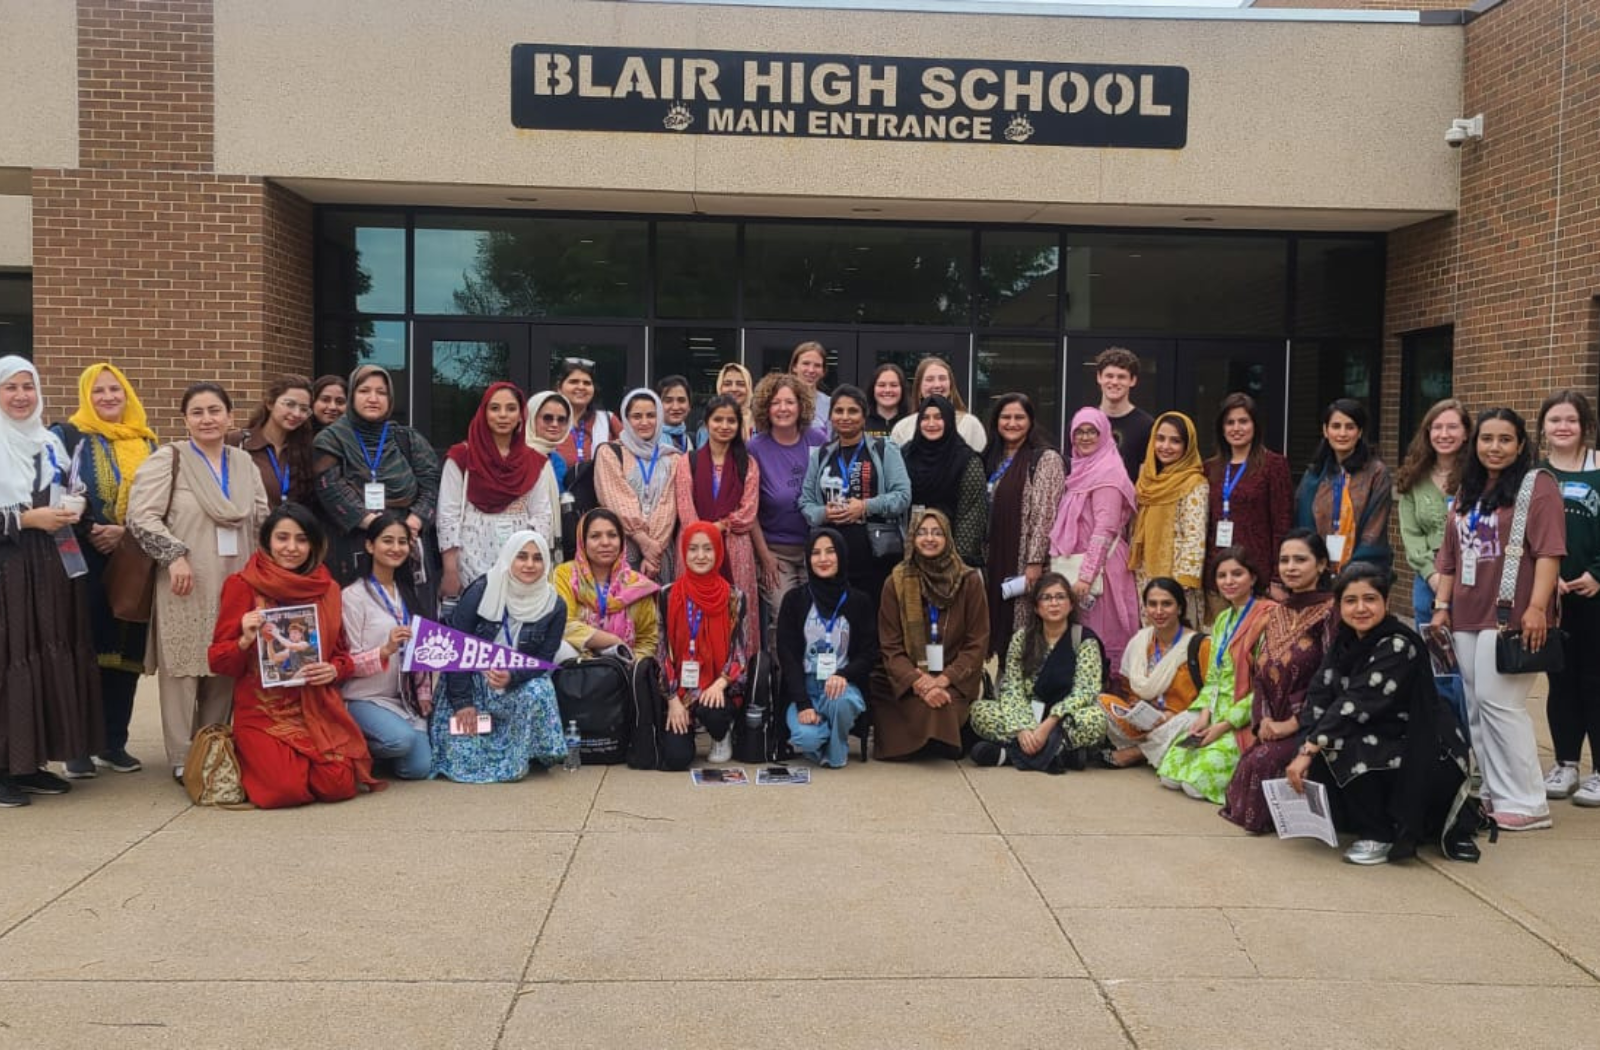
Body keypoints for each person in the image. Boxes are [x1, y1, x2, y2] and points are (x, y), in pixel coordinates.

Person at [1287, 562, 1476, 865]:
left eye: (1370, 599)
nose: (1360, 608)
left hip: (1423, 745)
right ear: (1339, 606)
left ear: (1386, 602)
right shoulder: (1344, 642)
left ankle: (1381, 834)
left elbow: (1357, 703)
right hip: (1377, 733)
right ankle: (1363, 819)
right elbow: (1319, 696)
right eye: (1350, 601)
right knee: (1318, 744)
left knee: (1339, 745)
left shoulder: (1398, 644)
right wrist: (1304, 744)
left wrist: (1310, 749)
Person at [127, 381, 269, 779]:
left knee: (226, 665)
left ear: (229, 416)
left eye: (214, 411)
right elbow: (141, 516)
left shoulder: (243, 464)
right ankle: (180, 756)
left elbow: (261, 520)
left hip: (236, 581)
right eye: (197, 412)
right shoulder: (168, 459)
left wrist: (262, 578)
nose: (207, 419)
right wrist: (174, 555)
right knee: (184, 670)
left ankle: (214, 746)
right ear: (185, 419)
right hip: (185, 581)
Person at [1432, 407, 1560, 832]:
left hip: (1510, 615)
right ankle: (1493, 788)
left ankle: (1527, 801)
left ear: (1521, 445)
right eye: (1487, 439)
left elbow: (1548, 553)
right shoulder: (1468, 487)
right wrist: (1441, 606)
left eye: (1505, 439)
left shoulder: (1535, 486)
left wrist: (1538, 607)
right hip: (1467, 613)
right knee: (1475, 708)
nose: (1494, 447)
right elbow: (1448, 557)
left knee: (1501, 705)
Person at [207, 503, 382, 808]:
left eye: (301, 540)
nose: (291, 548)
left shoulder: (327, 588)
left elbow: (341, 654)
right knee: (284, 792)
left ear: (314, 545)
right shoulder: (242, 585)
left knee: (338, 785)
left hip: (315, 707)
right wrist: (245, 639)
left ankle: (286, 763)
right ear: (267, 541)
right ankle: (255, 756)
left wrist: (333, 670)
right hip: (263, 709)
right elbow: (219, 661)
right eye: (282, 538)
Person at [0, 357, 102, 807]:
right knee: (10, 658)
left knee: (44, 655)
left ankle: (29, 762)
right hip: (8, 570)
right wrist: (25, 519)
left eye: (28, 386)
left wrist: (77, 506)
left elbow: (71, 490)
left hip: (52, 569)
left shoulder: (50, 444)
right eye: (10, 387)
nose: (21, 395)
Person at [50, 362, 158, 778]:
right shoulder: (68, 435)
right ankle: (77, 746)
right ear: (85, 396)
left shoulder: (148, 442)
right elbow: (57, 491)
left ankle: (114, 741)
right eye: (99, 391)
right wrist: (94, 528)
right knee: (85, 651)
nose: (109, 397)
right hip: (83, 556)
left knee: (125, 652)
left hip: (132, 557)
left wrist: (125, 532)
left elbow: (158, 502)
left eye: (116, 390)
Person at [1221, 530, 1338, 832]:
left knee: (1261, 763)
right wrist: (1263, 721)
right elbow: (1260, 675)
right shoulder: (1276, 613)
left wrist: (1294, 724)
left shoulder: (1331, 612)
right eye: (1285, 560)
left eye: (1301, 559)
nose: (1291, 567)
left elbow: (1331, 678)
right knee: (1251, 762)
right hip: (1273, 724)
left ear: (1322, 565)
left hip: (1315, 726)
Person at [432, 531, 568, 783]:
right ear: (508, 558)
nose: (529, 565)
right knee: (462, 759)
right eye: (522, 557)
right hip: (470, 683)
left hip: (513, 682)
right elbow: (456, 647)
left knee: (541, 689)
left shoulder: (554, 604)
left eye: (538, 558)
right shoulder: (483, 589)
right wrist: (463, 703)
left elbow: (544, 659)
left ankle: (527, 754)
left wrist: (512, 676)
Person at [312, 365, 442, 604]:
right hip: (354, 543)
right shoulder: (331, 440)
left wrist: (412, 523)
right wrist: (380, 528)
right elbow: (331, 490)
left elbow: (430, 484)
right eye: (364, 391)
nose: (373, 399)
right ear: (352, 396)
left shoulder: (408, 439)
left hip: (407, 542)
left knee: (413, 617)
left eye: (381, 393)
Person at [1156, 547, 1274, 801]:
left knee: (1195, 786)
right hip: (1215, 713)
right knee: (1169, 775)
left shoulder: (1268, 617)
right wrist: (1204, 714)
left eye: (1237, 574)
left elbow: (1266, 686)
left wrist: (1223, 725)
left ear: (1252, 577)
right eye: (1222, 576)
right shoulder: (1222, 619)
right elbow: (1213, 677)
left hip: (1244, 720)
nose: (1228, 582)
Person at [872, 509, 988, 760]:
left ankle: (941, 737)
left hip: (952, 678)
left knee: (941, 708)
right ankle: (938, 738)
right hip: (908, 678)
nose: (929, 538)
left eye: (937, 533)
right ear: (912, 538)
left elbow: (976, 642)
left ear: (948, 538)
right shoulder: (896, 581)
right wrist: (919, 682)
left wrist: (944, 679)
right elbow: (890, 646)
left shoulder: (969, 581)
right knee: (907, 703)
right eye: (922, 532)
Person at [969, 573, 1109, 773]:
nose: (1054, 603)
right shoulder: (1022, 639)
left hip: (1063, 719)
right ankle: (1057, 754)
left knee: (1095, 719)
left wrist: (1049, 724)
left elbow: (1085, 691)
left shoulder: (1083, 639)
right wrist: (1022, 728)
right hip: (1028, 711)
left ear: (1071, 604)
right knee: (979, 711)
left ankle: (1010, 755)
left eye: (1060, 597)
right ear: (1036, 607)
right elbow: (1012, 687)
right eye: (1046, 597)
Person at [439, 382, 557, 600]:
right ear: (483, 413)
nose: (503, 415)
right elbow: (448, 515)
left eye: (511, 409)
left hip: (520, 561)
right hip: (470, 558)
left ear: (521, 415)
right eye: (495, 408)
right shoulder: (461, 457)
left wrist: (532, 564)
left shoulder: (535, 461)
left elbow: (542, 516)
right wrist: (450, 570)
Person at [1539, 390, 1600, 806]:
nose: (1563, 427)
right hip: (1550, 598)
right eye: (1555, 419)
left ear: (1584, 426)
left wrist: (1597, 574)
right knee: (1559, 682)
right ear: (1542, 426)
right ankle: (1565, 763)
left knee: (1595, 682)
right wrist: (1545, 582)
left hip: (1594, 594)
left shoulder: (1599, 468)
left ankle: (1598, 771)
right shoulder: (1534, 476)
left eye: (1571, 420)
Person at [1395, 398, 1472, 731]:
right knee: (1442, 672)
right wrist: (1433, 576)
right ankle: (1453, 751)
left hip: (1472, 586)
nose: (1444, 434)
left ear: (1467, 432)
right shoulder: (1414, 477)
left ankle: (1480, 759)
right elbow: (1411, 537)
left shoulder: (1478, 475)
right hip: (1429, 588)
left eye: (1452, 426)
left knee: (1469, 676)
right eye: (1437, 427)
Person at [799, 384, 913, 606]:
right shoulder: (821, 455)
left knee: (872, 623)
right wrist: (825, 513)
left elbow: (903, 495)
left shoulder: (884, 449)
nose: (845, 417)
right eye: (839, 411)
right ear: (830, 416)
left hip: (875, 556)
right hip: (830, 557)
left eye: (852, 411)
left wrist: (865, 506)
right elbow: (805, 503)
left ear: (864, 416)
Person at [340, 512, 432, 779]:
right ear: (370, 545)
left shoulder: (408, 592)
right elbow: (348, 663)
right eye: (387, 541)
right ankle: (352, 745)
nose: (396, 548)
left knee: (418, 769)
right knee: (400, 741)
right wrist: (385, 650)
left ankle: (383, 755)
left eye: (402, 542)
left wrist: (423, 695)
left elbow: (421, 652)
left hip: (402, 698)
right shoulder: (353, 596)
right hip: (362, 697)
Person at [1048, 407, 1140, 669]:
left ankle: (1108, 699)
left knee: (1102, 637)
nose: (1085, 438)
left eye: (1092, 432)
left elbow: (1104, 530)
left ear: (1105, 435)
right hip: (1081, 568)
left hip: (1101, 572)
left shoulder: (1108, 473)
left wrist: (1086, 576)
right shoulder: (1079, 472)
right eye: (1079, 432)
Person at [776, 529, 876, 768]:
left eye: (830, 552)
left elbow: (869, 652)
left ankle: (835, 747)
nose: (823, 559)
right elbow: (787, 654)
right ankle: (824, 736)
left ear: (841, 556)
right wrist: (802, 702)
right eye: (816, 553)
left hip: (843, 684)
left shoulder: (859, 601)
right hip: (806, 686)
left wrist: (844, 674)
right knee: (806, 738)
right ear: (808, 560)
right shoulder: (794, 600)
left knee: (840, 702)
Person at [983, 393, 1066, 666]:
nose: (1012, 423)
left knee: (1023, 626)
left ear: (1031, 422)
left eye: (1019, 417)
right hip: (993, 558)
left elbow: (1045, 515)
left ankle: (1024, 684)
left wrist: (1034, 561)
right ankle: (1000, 682)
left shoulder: (1044, 459)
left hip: (1023, 561)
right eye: (1005, 417)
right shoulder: (990, 459)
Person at [674, 394, 762, 648]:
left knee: (736, 610)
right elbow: (685, 507)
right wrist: (704, 535)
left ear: (738, 425)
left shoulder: (748, 464)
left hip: (735, 548)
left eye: (731, 421)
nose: (724, 426)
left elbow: (748, 510)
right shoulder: (687, 462)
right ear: (706, 423)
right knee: (694, 612)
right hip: (694, 549)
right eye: (718, 420)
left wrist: (719, 527)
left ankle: (739, 674)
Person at [659, 523, 749, 768]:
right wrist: (672, 700)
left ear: (718, 551)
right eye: (693, 549)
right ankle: (686, 723)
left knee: (714, 712)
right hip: (681, 691)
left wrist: (719, 685)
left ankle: (721, 733)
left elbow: (739, 653)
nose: (700, 556)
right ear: (684, 553)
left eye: (708, 549)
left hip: (718, 689)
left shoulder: (734, 597)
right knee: (676, 759)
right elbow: (661, 653)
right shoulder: (668, 595)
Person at [1095, 577, 1210, 769]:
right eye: (1152, 604)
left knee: (1192, 720)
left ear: (1180, 608)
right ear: (1145, 609)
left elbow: (1211, 694)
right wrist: (1137, 708)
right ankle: (1156, 747)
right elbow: (1127, 687)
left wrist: (1169, 716)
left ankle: (1137, 753)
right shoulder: (1140, 641)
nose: (1158, 611)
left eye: (1166, 604)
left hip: (1179, 720)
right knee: (1100, 702)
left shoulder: (1200, 645)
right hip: (1146, 720)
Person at [748, 372, 827, 633]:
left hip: (816, 547)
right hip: (775, 552)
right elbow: (750, 509)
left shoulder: (818, 440)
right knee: (784, 615)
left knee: (817, 614)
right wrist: (764, 556)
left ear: (801, 405)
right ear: (765, 408)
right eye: (776, 403)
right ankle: (783, 674)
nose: (783, 408)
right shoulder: (754, 448)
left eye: (790, 402)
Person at [1203, 392, 1292, 608]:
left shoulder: (1273, 465)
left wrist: (1277, 578)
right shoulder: (1210, 468)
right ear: (1221, 428)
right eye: (1230, 422)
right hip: (1218, 576)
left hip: (1257, 576)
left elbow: (1282, 523)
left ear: (1255, 425)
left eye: (1243, 421)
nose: (1236, 428)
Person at [1293, 398, 1392, 575]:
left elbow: (1374, 529)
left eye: (1350, 427)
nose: (1342, 433)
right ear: (1325, 430)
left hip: (1362, 573)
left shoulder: (1376, 474)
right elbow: (1302, 524)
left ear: (1360, 432)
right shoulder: (1313, 475)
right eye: (1336, 426)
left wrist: (1352, 570)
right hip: (1316, 573)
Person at [1128, 411, 1209, 625]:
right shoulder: (1146, 481)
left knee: (1179, 644)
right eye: (1160, 438)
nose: (1166, 446)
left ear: (1187, 446)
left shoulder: (1193, 482)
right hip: (1145, 575)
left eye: (1175, 441)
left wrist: (1181, 584)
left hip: (1177, 581)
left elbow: (1195, 536)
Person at [595, 388, 683, 578]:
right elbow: (617, 499)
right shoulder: (610, 453)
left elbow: (668, 506)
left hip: (660, 552)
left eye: (651, 415)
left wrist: (653, 552)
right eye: (637, 416)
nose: (644, 422)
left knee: (657, 605)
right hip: (621, 548)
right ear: (626, 419)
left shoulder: (673, 457)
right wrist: (644, 542)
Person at [551, 508, 661, 659]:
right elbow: (563, 624)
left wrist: (626, 664)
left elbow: (648, 639)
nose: (605, 542)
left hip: (622, 666)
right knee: (560, 648)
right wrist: (611, 641)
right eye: (595, 536)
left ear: (621, 541)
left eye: (612, 535)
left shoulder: (637, 585)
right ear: (583, 541)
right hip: (578, 668)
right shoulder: (565, 575)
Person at [902, 395, 987, 566]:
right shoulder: (906, 454)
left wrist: (957, 563)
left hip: (952, 559)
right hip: (910, 554)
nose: (931, 423)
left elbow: (971, 515)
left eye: (939, 417)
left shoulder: (966, 460)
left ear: (949, 420)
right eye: (925, 418)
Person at [230, 375, 316, 509]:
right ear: (270, 403)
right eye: (290, 404)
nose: (297, 413)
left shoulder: (306, 449)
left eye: (304, 409)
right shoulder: (238, 442)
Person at [889, 357, 987, 452]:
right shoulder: (902, 428)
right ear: (919, 386)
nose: (937, 385)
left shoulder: (970, 425)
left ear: (951, 385)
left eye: (942, 378)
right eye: (929, 379)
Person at [1092, 347, 1154, 481]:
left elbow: (1146, 478)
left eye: (1121, 377)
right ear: (1099, 377)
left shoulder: (1146, 426)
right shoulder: (1084, 422)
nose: (1114, 382)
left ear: (1133, 381)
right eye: (1109, 376)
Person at [552, 357, 614, 469]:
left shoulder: (608, 420)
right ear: (559, 388)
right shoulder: (546, 420)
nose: (581, 387)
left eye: (587, 383)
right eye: (573, 382)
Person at [700, 362, 754, 444]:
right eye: (727, 384)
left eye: (741, 384)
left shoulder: (760, 425)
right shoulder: (708, 427)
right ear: (719, 387)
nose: (734, 389)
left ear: (748, 388)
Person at [790, 341, 831, 431]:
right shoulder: (779, 401)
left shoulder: (831, 404)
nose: (811, 370)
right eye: (806, 363)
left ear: (823, 371)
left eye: (817, 365)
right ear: (794, 367)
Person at [866, 362, 912, 439]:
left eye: (894, 385)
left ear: (902, 389)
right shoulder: (861, 422)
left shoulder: (912, 422)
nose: (887, 390)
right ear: (873, 388)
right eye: (881, 385)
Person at [656, 374, 695, 452]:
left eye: (681, 400)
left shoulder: (691, 441)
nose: (675, 407)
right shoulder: (647, 441)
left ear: (689, 406)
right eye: (668, 401)